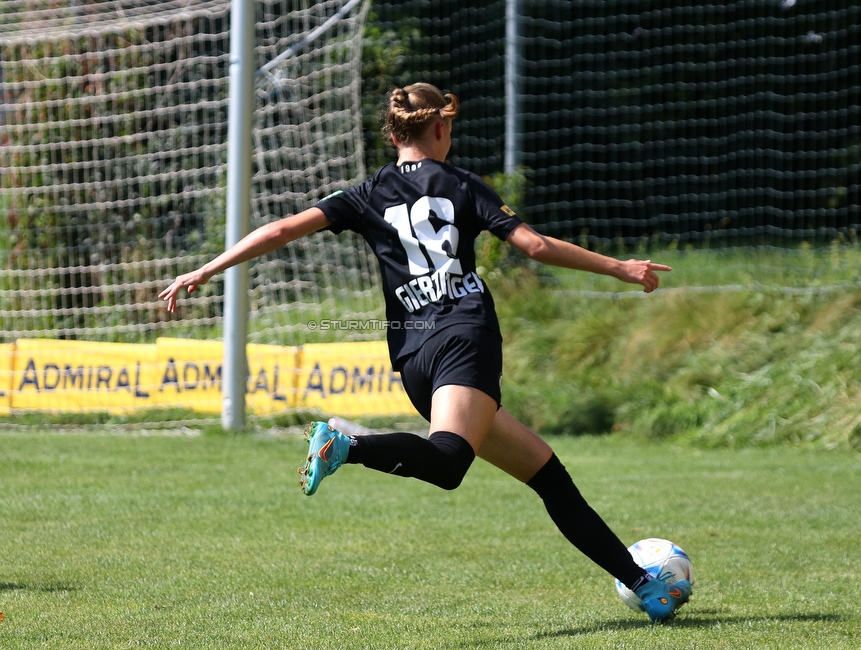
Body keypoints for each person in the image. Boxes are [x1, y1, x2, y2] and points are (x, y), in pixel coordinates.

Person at [159, 83, 691, 622]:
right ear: (440, 128)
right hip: (462, 336)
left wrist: (206, 269)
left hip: (413, 360)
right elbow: (534, 246)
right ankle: (349, 443)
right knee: (449, 462)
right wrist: (620, 267)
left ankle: (644, 585)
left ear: (394, 134)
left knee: (547, 475)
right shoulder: (462, 184)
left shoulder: (367, 193)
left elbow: (281, 228)